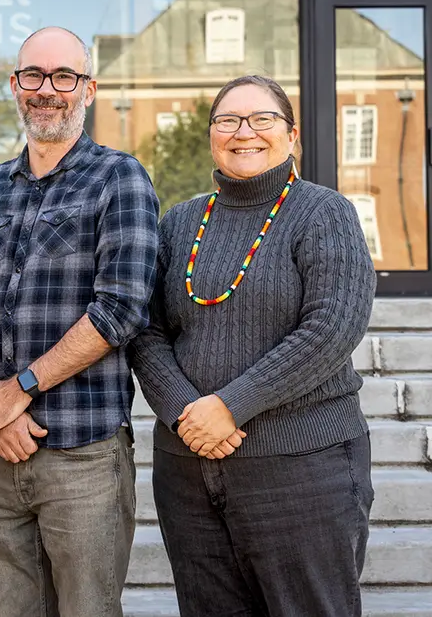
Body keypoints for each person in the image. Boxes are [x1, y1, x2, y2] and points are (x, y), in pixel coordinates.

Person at [130, 74, 377, 616]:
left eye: (263, 119)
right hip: (188, 473)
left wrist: (230, 406)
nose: (245, 132)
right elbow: (146, 331)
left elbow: (332, 327)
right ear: (212, 135)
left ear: (293, 137)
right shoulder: (179, 223)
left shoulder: (324, 212)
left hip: (302, 470)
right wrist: (185, 414)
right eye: (228, 120)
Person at [0, 27, 160, 617]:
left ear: (88, 89)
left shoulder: (120, 179)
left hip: (83, 451)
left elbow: (120, 308)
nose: (48, 90)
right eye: (33, 76)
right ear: (15, 87)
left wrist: (16, 391)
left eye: (63, 76)